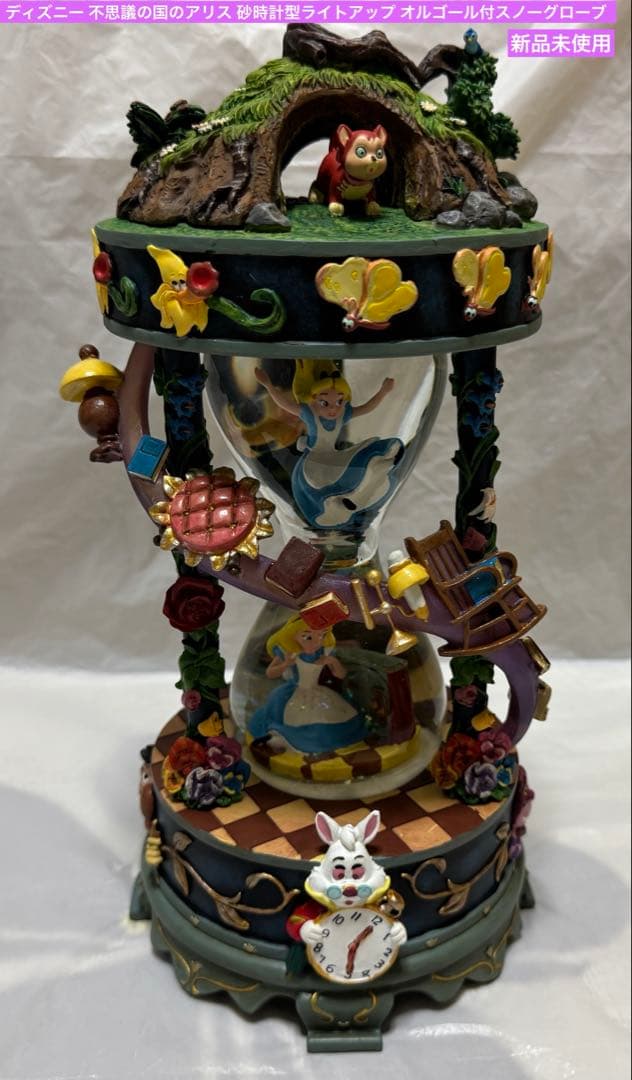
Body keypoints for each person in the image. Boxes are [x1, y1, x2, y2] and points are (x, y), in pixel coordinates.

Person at [254, 360, 403, 529]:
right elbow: (284, 404)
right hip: (315, 460)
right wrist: (268, 385)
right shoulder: (310, 414)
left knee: (365, 459)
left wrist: (383, 391)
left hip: (333, 455)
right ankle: (334, 509)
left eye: (339, 402)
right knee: (335, 477)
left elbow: (367, 407)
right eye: (325, 403)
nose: (333, 409)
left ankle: (361, 496)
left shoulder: (341, 415)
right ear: (312, 400)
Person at [248, 615, 367, 753]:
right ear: (292, 636)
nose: (316, 642)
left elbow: (341, 675)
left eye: (321, 635)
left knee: (331, 716)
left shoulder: (325, 652)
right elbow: (270, 673)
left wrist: (332, 662)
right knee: (294, 718)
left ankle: (326, 743)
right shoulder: (290, 653)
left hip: (318, 690)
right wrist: (285, 664)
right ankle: (288, 740)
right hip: (295, 691)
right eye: (307, 637)